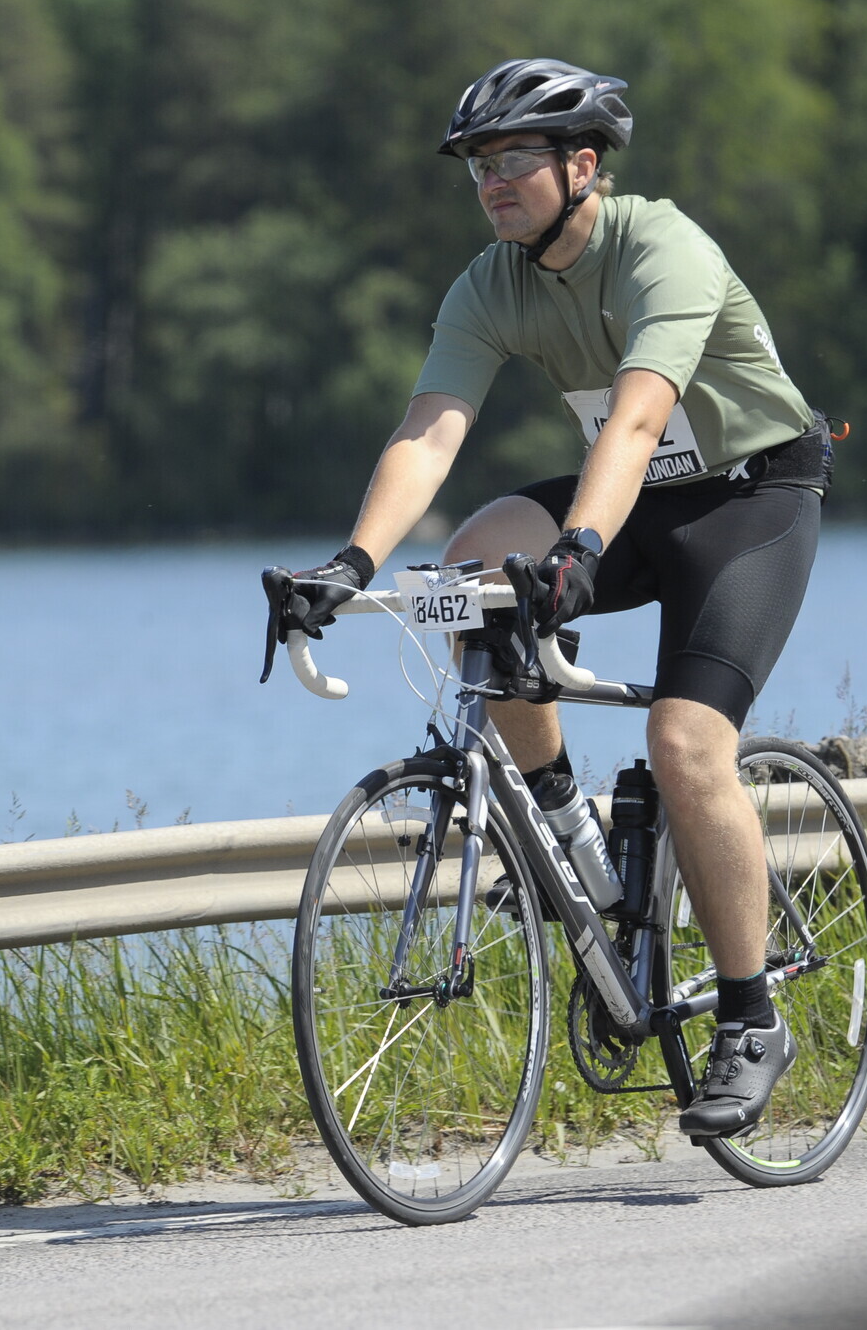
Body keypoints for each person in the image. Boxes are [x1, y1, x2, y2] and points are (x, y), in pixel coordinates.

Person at [278, 58, 834, 1139]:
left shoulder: (662, 247)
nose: (490, 182)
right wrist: (350, 564)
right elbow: (428, 431)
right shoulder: (491, 283)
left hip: (750, 498)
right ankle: (565, 822)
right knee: (471, 570)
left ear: (582, 165)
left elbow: (636, 420)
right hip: (634, 496)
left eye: (512, 160)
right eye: (477, 166)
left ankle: (750, 1016)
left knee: (686, 744)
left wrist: (580, 548)